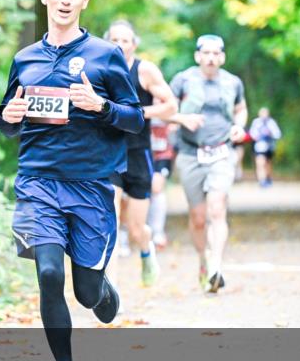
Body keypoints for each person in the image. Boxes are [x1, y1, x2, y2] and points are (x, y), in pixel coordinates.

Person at [0, 0, 143, 361]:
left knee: (84, 292)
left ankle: (102, 292)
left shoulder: (105, 56)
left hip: (91, 186)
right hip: (38, 181)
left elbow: (134, 119)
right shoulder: (25, 59)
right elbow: (6, 118)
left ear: (84, 1)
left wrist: (100, 106)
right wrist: (8, 117)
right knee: (47, 274)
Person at [168, 34, 247, 293]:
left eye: (216, 54)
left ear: (222, 57)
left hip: (222, 152)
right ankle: (203, 260)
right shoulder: (183, 80)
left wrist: (239, 127)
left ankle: (216, 265)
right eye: (207, 53)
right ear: (197, 56)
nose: (211, 58)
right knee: (198, 218)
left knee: (217, 208)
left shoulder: (233, 82)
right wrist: (182, 119)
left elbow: (241, 109)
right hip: (191, 153)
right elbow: (166, 111)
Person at [105, 20, 178, 287]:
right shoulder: (100, 68)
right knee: (110, 219)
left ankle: (146, 252)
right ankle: (111, 288)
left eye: (125, 40)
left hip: (138, 154)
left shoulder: (145, 71)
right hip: (109, 154)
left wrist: (138, 114)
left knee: (137, 229)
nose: (120, 45)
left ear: (134, 44)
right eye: (114, 39)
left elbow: (171, 106)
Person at [147, 116, 179, 250]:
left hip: (163, 152)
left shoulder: (167, 97)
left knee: (156, 187)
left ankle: (157, 232)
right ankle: (127, 234)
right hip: (141, 151)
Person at [250, 107, 282, 187]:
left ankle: (268, 178)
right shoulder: (256, 122)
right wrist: (258, 136)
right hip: (259, 147)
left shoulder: (271, 123)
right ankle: (261, 180)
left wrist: (270, 134)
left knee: (267, 164)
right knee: (260, 163)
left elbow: (278, 134)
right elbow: (252, 134)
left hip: (269, 147)